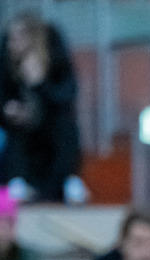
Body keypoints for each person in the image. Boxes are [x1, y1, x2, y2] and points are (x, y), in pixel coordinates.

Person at [0, 12, 87, 204]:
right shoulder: (6, 66)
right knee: (16, 131)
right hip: (20, 132)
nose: (11, 44)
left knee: (65, 127)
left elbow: (65, 97)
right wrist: (12, 110)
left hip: (51, 130)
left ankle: (68, 181)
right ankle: (17, 181)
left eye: (17, 38)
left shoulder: (56, 62)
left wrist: (39, 83)